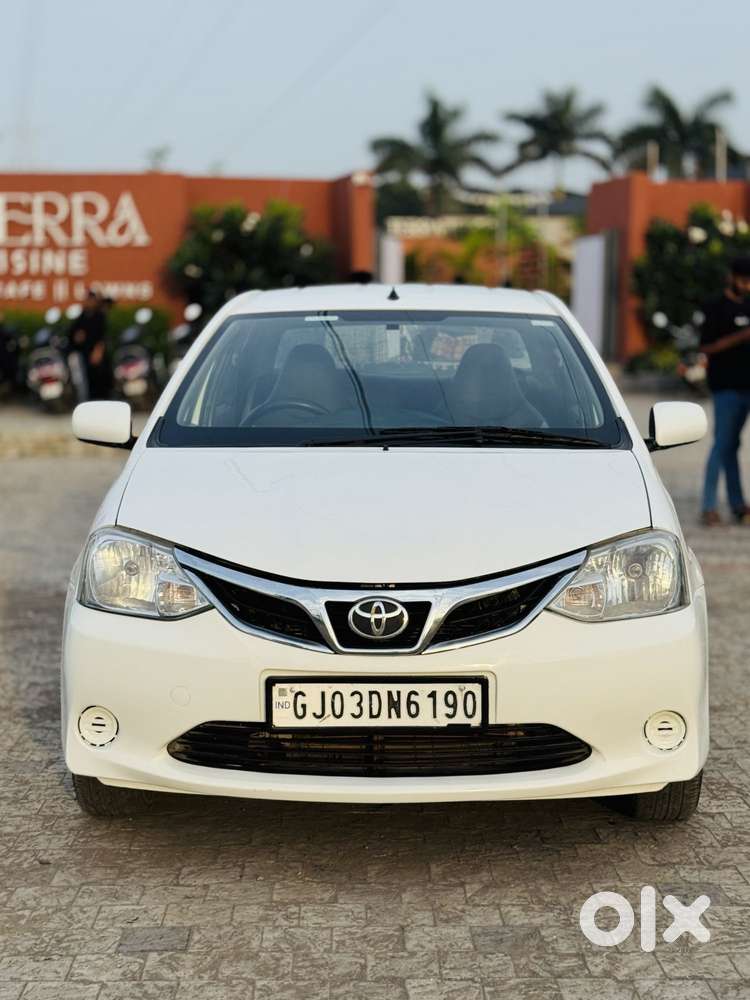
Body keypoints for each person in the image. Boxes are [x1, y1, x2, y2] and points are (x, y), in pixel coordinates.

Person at [700, 256, 750, 525]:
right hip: (725, 388)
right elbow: (705, 347)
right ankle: (708, 505)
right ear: (732, 278)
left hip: (747, 387)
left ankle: (738, 505)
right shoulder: (715, 307)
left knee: (733, 445)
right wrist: (739, 338)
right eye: (744, 281)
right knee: (721, 445)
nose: (747, 286)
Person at [69, 291, 108, 400]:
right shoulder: (83, 315)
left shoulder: (99, 316)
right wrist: (76, 336)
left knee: (98, 375)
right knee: (85, 377)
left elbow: (102, 336)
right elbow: (73, 331)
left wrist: (98, 351)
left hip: (95, 351)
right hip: (84, 351)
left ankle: (100, 398)